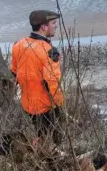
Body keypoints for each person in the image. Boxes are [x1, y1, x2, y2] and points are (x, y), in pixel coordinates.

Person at [10, 10, 65, 146]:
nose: (56, 26)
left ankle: (41, 153)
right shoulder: (50, 51)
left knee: (41, 136)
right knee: (55, 143)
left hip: (28, 105)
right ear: (43, 27)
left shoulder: (18, 45)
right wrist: (60, 107)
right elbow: (53, 84)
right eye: (53, 23)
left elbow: (14, 73)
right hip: (46, 107)